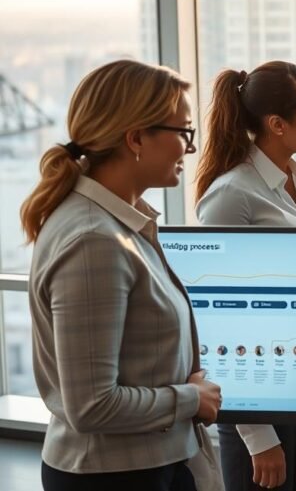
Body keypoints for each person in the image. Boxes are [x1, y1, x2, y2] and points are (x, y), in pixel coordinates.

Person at [21, 59, 222, 491]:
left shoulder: (115, 225)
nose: (190, 148)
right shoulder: (94, 241)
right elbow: (92, 406)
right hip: (115, 475)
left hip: (143, 466)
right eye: (183, 132)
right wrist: (191, 399)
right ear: (135, 139)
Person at [195, 61, 296, 491]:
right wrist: (257, 435)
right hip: (259, 397)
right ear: (276, 124)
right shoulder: (231, 195)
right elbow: (218, 323)